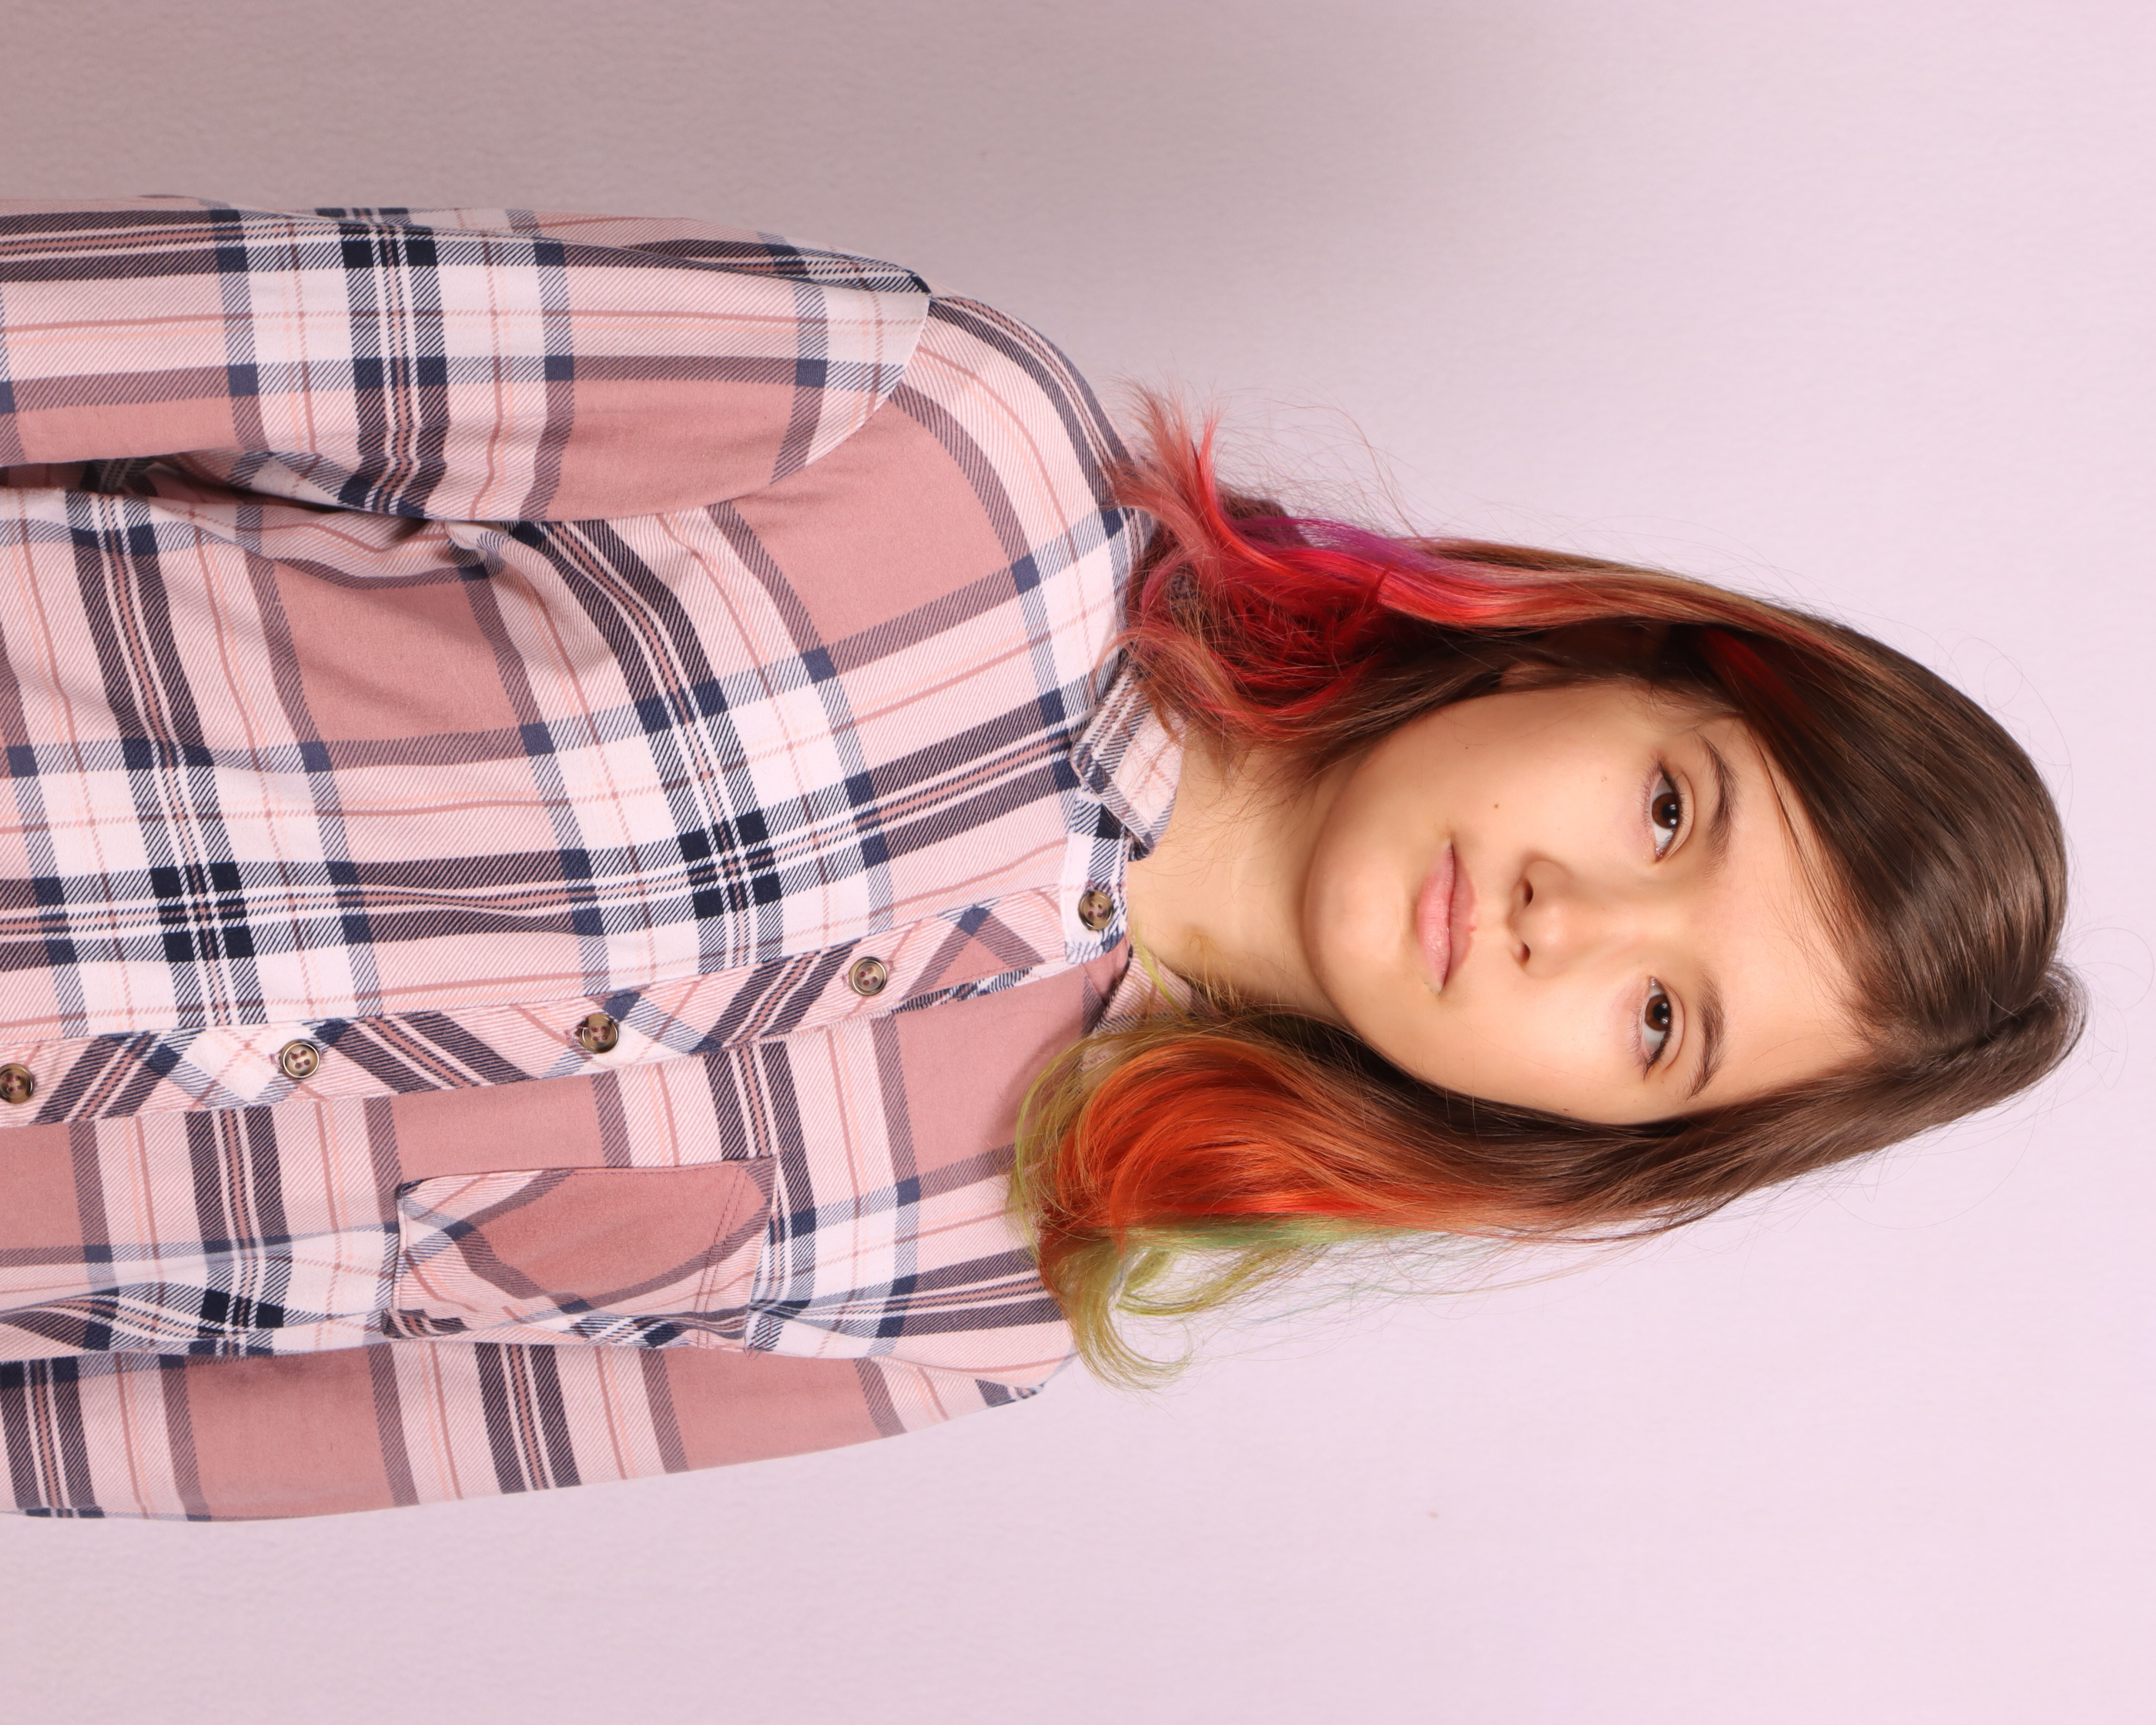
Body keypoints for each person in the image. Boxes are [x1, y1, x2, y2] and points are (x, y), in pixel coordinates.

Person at [0, 198, 2078, 1519]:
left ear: (1588, 1140)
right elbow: (128, 334)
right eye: (1672, 812)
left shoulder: (966, 1315)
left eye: (1660, 1020)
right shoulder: (931, 433)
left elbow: (216, 1438)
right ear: (1591, 655)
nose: (1571, 923)